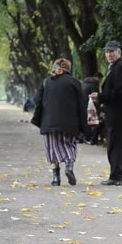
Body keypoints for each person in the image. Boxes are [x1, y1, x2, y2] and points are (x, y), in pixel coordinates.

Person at [30, 58, 88, 186]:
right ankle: (69, 164)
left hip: (49, 122)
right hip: (70, 123)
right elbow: (82, 106)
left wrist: (38, 120)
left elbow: (38, 102)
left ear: (55, 68)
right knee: (70, 144)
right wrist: (84, 126)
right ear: (68, 69)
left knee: (52, 149)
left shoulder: (46, 82)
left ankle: (56, 178)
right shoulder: (75, 82)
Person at [90, 41, 122, 186]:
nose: (109, 54)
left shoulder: (120, 67)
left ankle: (116, 176)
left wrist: (100, 96)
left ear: (119, 52)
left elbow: (119, 92)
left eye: (112, 51)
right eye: (107, 52)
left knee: (116, 146)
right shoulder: (115, 67)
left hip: (120, 115)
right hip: (121, 114)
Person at [81, 72, 104, 144]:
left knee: (84, 121)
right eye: (100, 79)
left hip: (82, 104)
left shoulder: (84, 82)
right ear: (97, 77)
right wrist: (99, 110)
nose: (99, 81)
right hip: (89, 105)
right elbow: (95, 98)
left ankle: (84, 137)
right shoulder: (94, 84)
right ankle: (90, 139)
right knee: (91, 121)